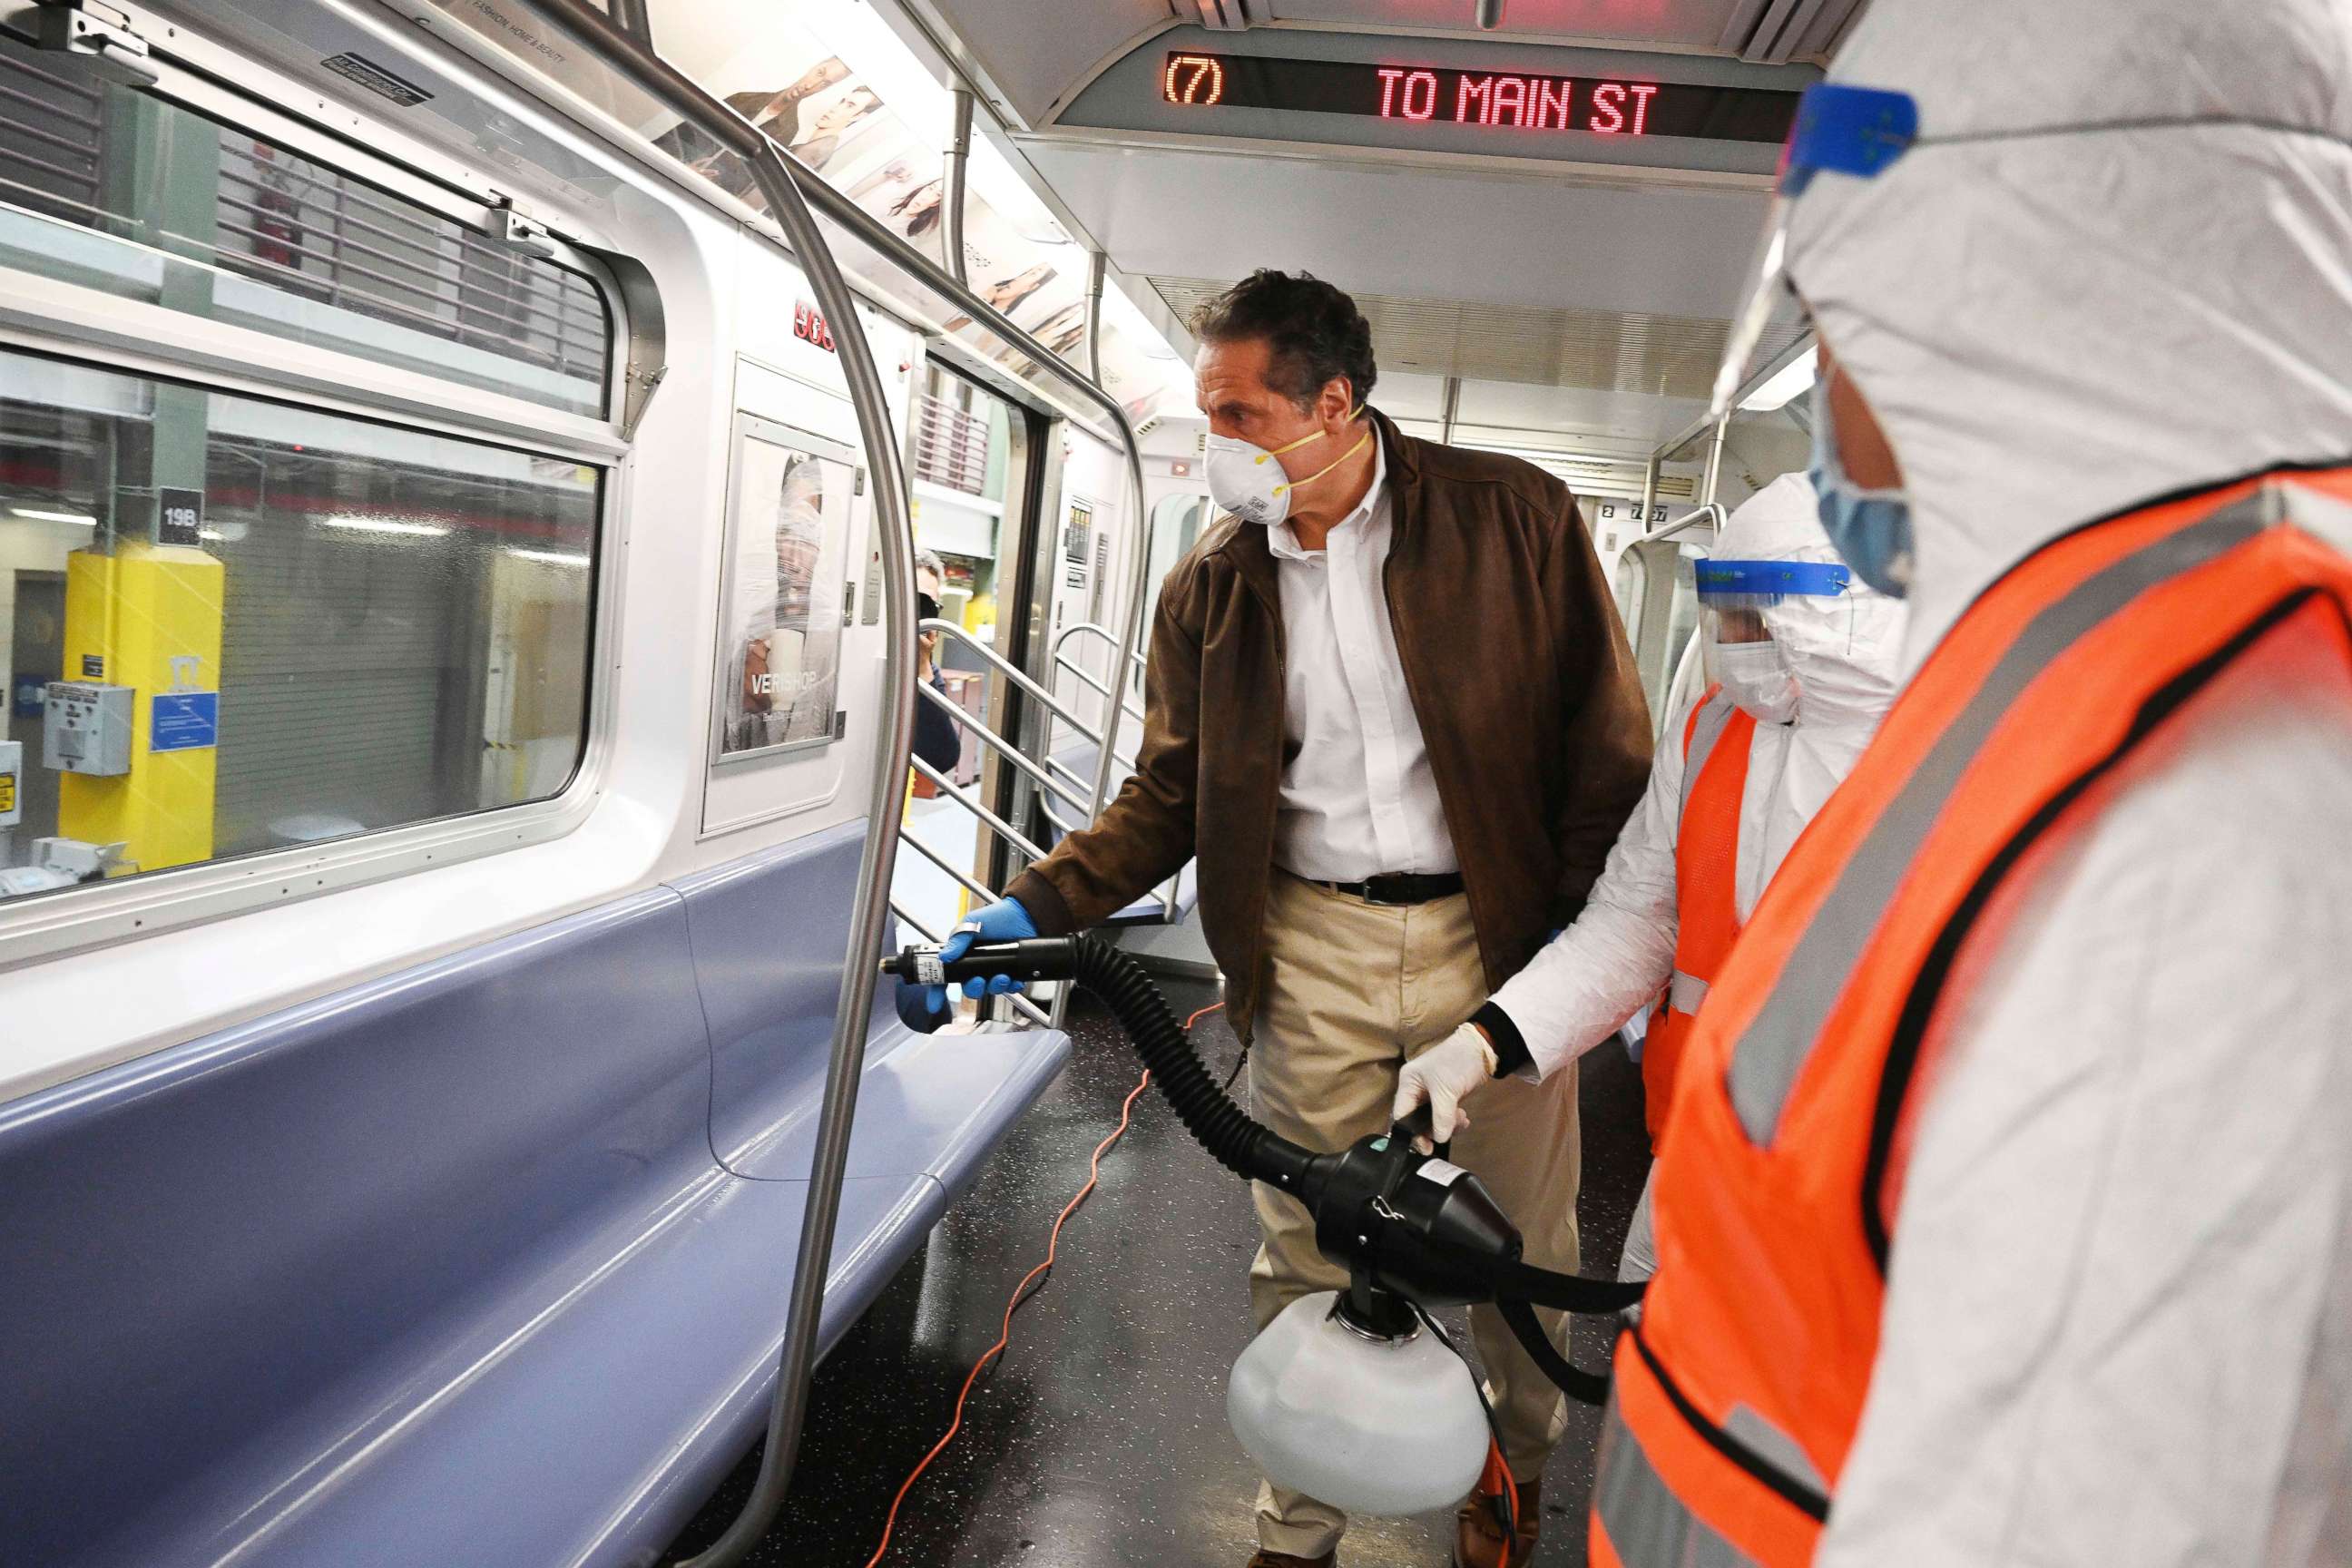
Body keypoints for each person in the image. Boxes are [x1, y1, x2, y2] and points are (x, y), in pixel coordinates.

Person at [1586, 4, 2352, 1565]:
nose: (1828, 415)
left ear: (1976, 288)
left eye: (1837, 323)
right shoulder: (2081, 677)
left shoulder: (2222, 799)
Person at [910, 270, 1652, 1568]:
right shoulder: (1213, 588)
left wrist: (1558, 966)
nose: (1222, 448)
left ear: (1334, 404)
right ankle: (1294, 1529)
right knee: (1308, 1245)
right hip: (1316, 943)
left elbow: (1607, 759)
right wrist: (1027, 907)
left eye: (1243, 415)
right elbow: (1170, 797)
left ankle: (1511, 1484)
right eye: (1211, 416)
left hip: (1502, 936)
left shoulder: (1513, 521)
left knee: (1519, 1250)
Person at [1392, 473, 1905, 1289]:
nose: (1731, 642)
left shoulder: (1960, 756)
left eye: (1752, 617)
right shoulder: (1713, 731)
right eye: (1724, 616)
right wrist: (1483, 1042)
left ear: (1839, 611)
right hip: (1697, 1150)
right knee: (1647, 1379)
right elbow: (1636, 920)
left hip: (1875, 1208)